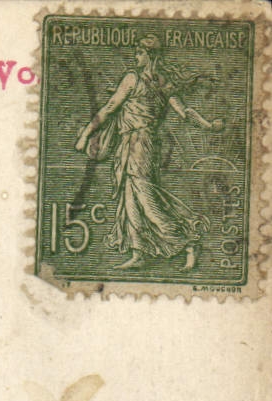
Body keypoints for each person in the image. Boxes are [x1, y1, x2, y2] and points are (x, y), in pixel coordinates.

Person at [74, 35, 224, 270]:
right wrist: (208, 125)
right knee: (130, 197)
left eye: (140, 53)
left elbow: (111, 107)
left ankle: (188, 242)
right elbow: (184, 112)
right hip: (136, 143)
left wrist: (85, 134)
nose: (136, 57)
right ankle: (139, 252)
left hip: (139, 143)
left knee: (145, 197)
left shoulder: (133, 79)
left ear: (150, 55)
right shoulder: (163, 82)